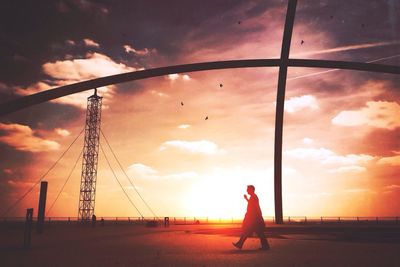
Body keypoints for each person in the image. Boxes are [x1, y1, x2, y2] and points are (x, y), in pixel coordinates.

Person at [233, 185, 270, 250]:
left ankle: (240, 244)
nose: (247, 190)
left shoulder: (254, 197)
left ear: (251, 190)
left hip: (254, 219)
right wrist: (246, 199)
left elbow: (257, 207)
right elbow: (252, 204)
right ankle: (240, 244)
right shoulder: (253, 197)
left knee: (249, 231)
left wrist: (260, 217)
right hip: (253, 218)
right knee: (254, 232)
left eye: (248, 189)